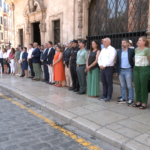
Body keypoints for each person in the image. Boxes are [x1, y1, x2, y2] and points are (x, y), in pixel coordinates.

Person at [132, 36, 150, 109]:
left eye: (140, 40)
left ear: (144, 42)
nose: (138, 41)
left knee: (143, 86)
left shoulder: (147, 49)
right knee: (137, 86)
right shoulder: (136, 49)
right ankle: (138, 101)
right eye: (138, 40)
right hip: (136, 69)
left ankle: (144, 103)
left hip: (144, 69)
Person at [116, 39, 135, 105]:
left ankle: (131, 99)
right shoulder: (119, 52)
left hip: (128, 70)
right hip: (121, 70)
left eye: (124, 43)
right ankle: (123, 98)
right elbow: (117, 62)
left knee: (129, 85)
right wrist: (117, 71)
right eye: (122, 43)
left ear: (127, 44)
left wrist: (133, 67)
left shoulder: (131, 51)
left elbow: (134, 59)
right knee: (122, 85)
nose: (122, 44)